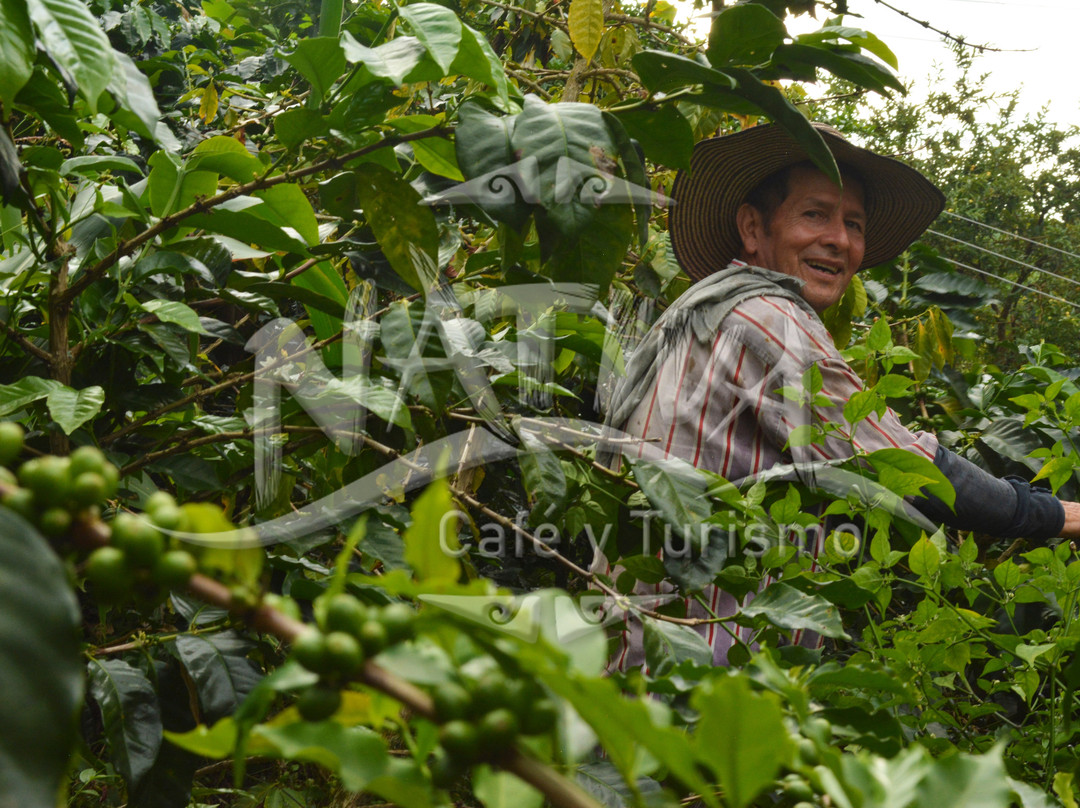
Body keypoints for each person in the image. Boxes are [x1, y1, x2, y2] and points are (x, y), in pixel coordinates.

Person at [604, 122, 1080, 670]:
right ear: (752, 228)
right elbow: (899, 464)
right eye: (815, 214)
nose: (841, 240)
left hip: (632, 662)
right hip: (693, 676)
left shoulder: (704, 312)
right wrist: (1052, 513)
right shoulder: (768, 318)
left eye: (853, 223)